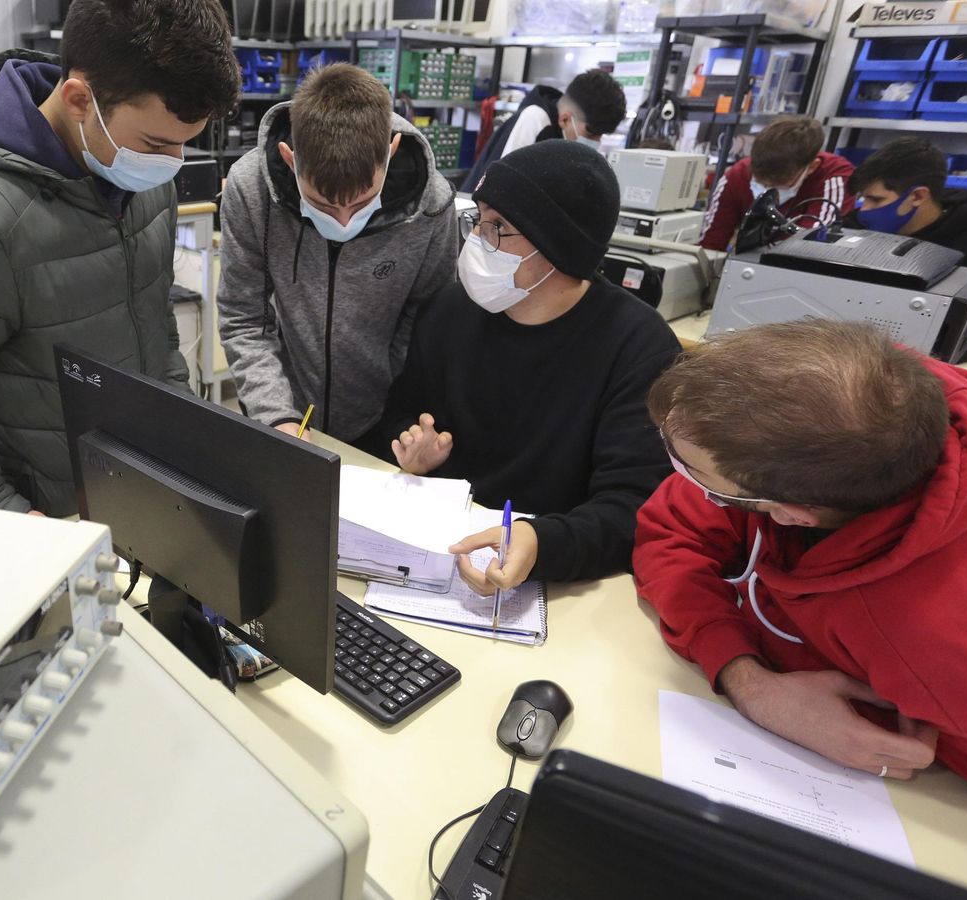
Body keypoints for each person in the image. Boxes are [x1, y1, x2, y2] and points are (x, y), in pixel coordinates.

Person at [0, 0, 239, 515]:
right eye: (155, 142)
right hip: (41, 522)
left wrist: (177, 448)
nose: (171, 164)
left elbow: (155, 328)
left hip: (132, 499)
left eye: (185, 145)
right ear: (80, 98)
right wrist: (7, 515)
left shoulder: (144, 186)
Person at [634, 320, 967, 819]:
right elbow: (673, 527)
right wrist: (749, 681)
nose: (683, 480)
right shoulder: (878, 405)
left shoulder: (949, 646)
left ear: (794, 514)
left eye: (698, 475)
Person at [382, 140, 682, 593]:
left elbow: (634, 508)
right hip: (440, 552)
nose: (479, 240)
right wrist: (412, 445)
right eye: (478, 220)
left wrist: (540, 542)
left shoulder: (639, 346)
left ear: (558, 245)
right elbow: (401, 410)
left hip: (557, 580)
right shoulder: (450, 310)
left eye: (498, 226)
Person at [217, 63, 457, 445]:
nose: (344, 220)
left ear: (390, 151)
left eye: (362, 202)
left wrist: (397, 408)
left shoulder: (432, 204)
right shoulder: (251, 189)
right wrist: (276, 414)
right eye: (323, 205)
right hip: (284, 410)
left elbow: (426, 323)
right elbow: (244, 318)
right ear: (290, 158)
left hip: (384, 418)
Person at [847, 137, 967, 361]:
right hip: (850, 348)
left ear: (917, 196)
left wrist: (925, 360)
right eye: (862, 198)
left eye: (875, 199)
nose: (864, 209)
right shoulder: (854, 226)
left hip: (919, 361)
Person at [697, 116, 855, 252]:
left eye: (779, 184)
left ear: (811, 167)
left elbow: (810, 248)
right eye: (760, 182)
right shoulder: (736, 176)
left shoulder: (834, 178)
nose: (766, 189)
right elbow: (711, 243)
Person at [459, 69, 626, 192]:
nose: (596, 142)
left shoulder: (563, 137)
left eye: (601, 136)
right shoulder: (534, 120)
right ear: (565, 119)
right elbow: (499, 188)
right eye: (591, 134)